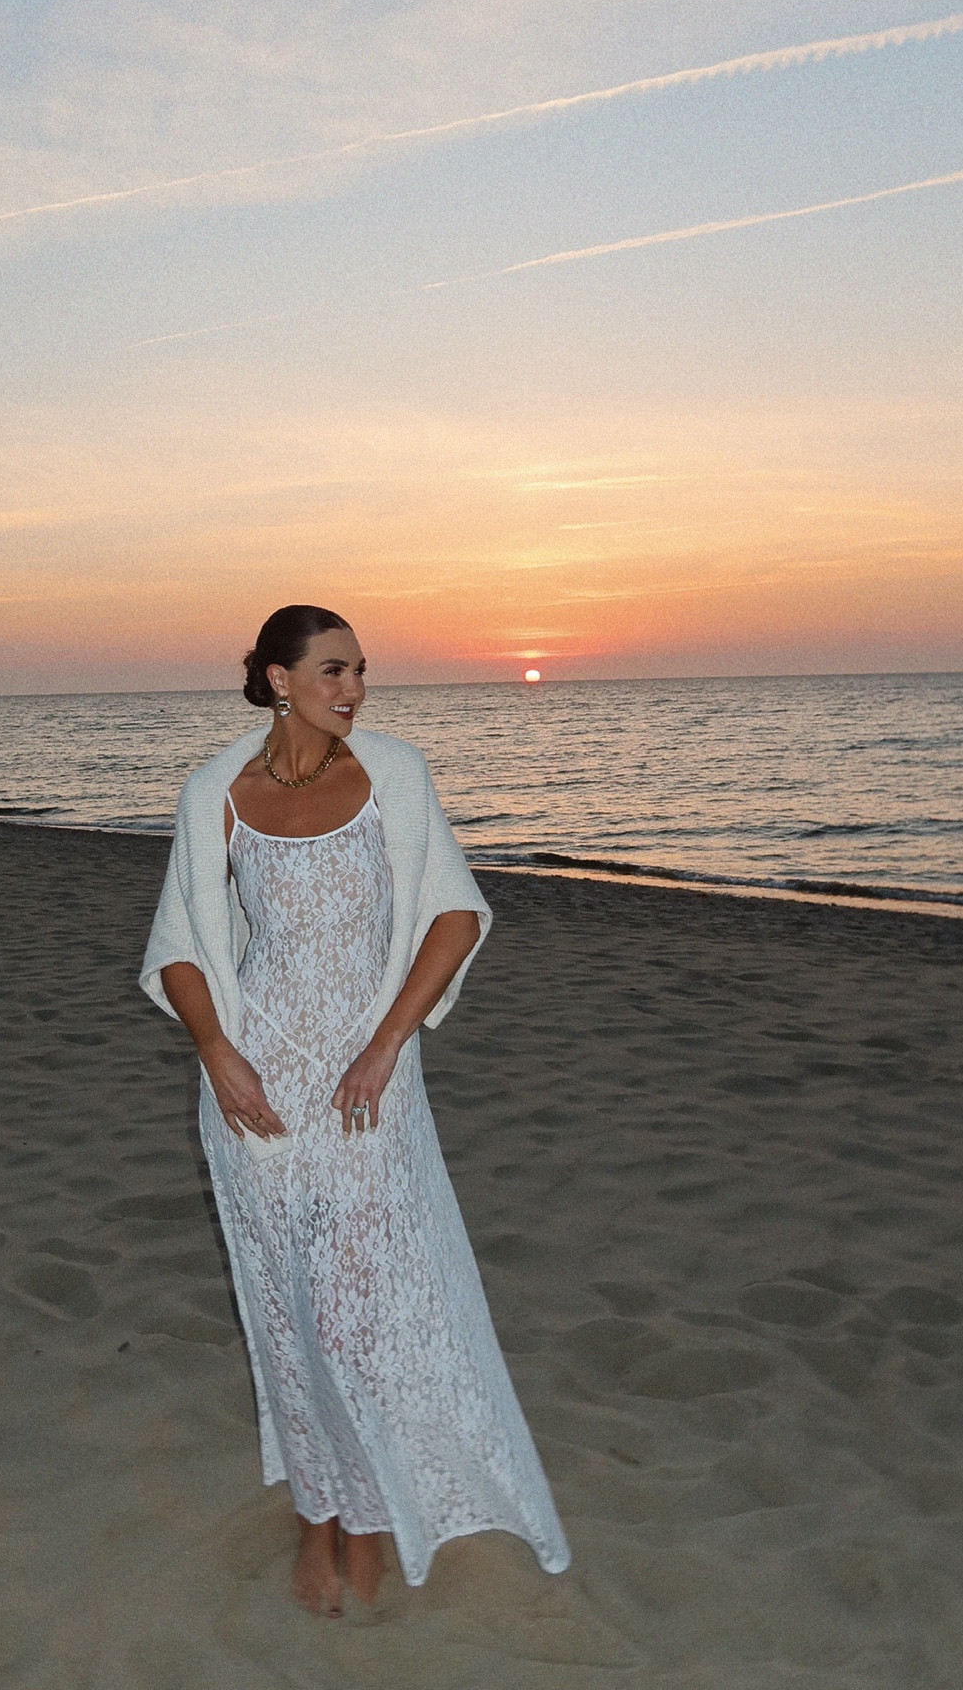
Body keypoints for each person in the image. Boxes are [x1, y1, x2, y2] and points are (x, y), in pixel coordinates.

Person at [140, 605, 569, 1614]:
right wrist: (215, 1051)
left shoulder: (393, 774)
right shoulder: (217, 793)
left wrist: (384, 1046)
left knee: (355, 1307)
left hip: (366, 1085)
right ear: (278, 678)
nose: (353, 689)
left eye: (360, 671)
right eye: (332, 670)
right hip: (254, 1085)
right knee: (285, 1308)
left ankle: (368, 1515)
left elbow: (454, 914)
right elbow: (180, 947)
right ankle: (315, 1518)